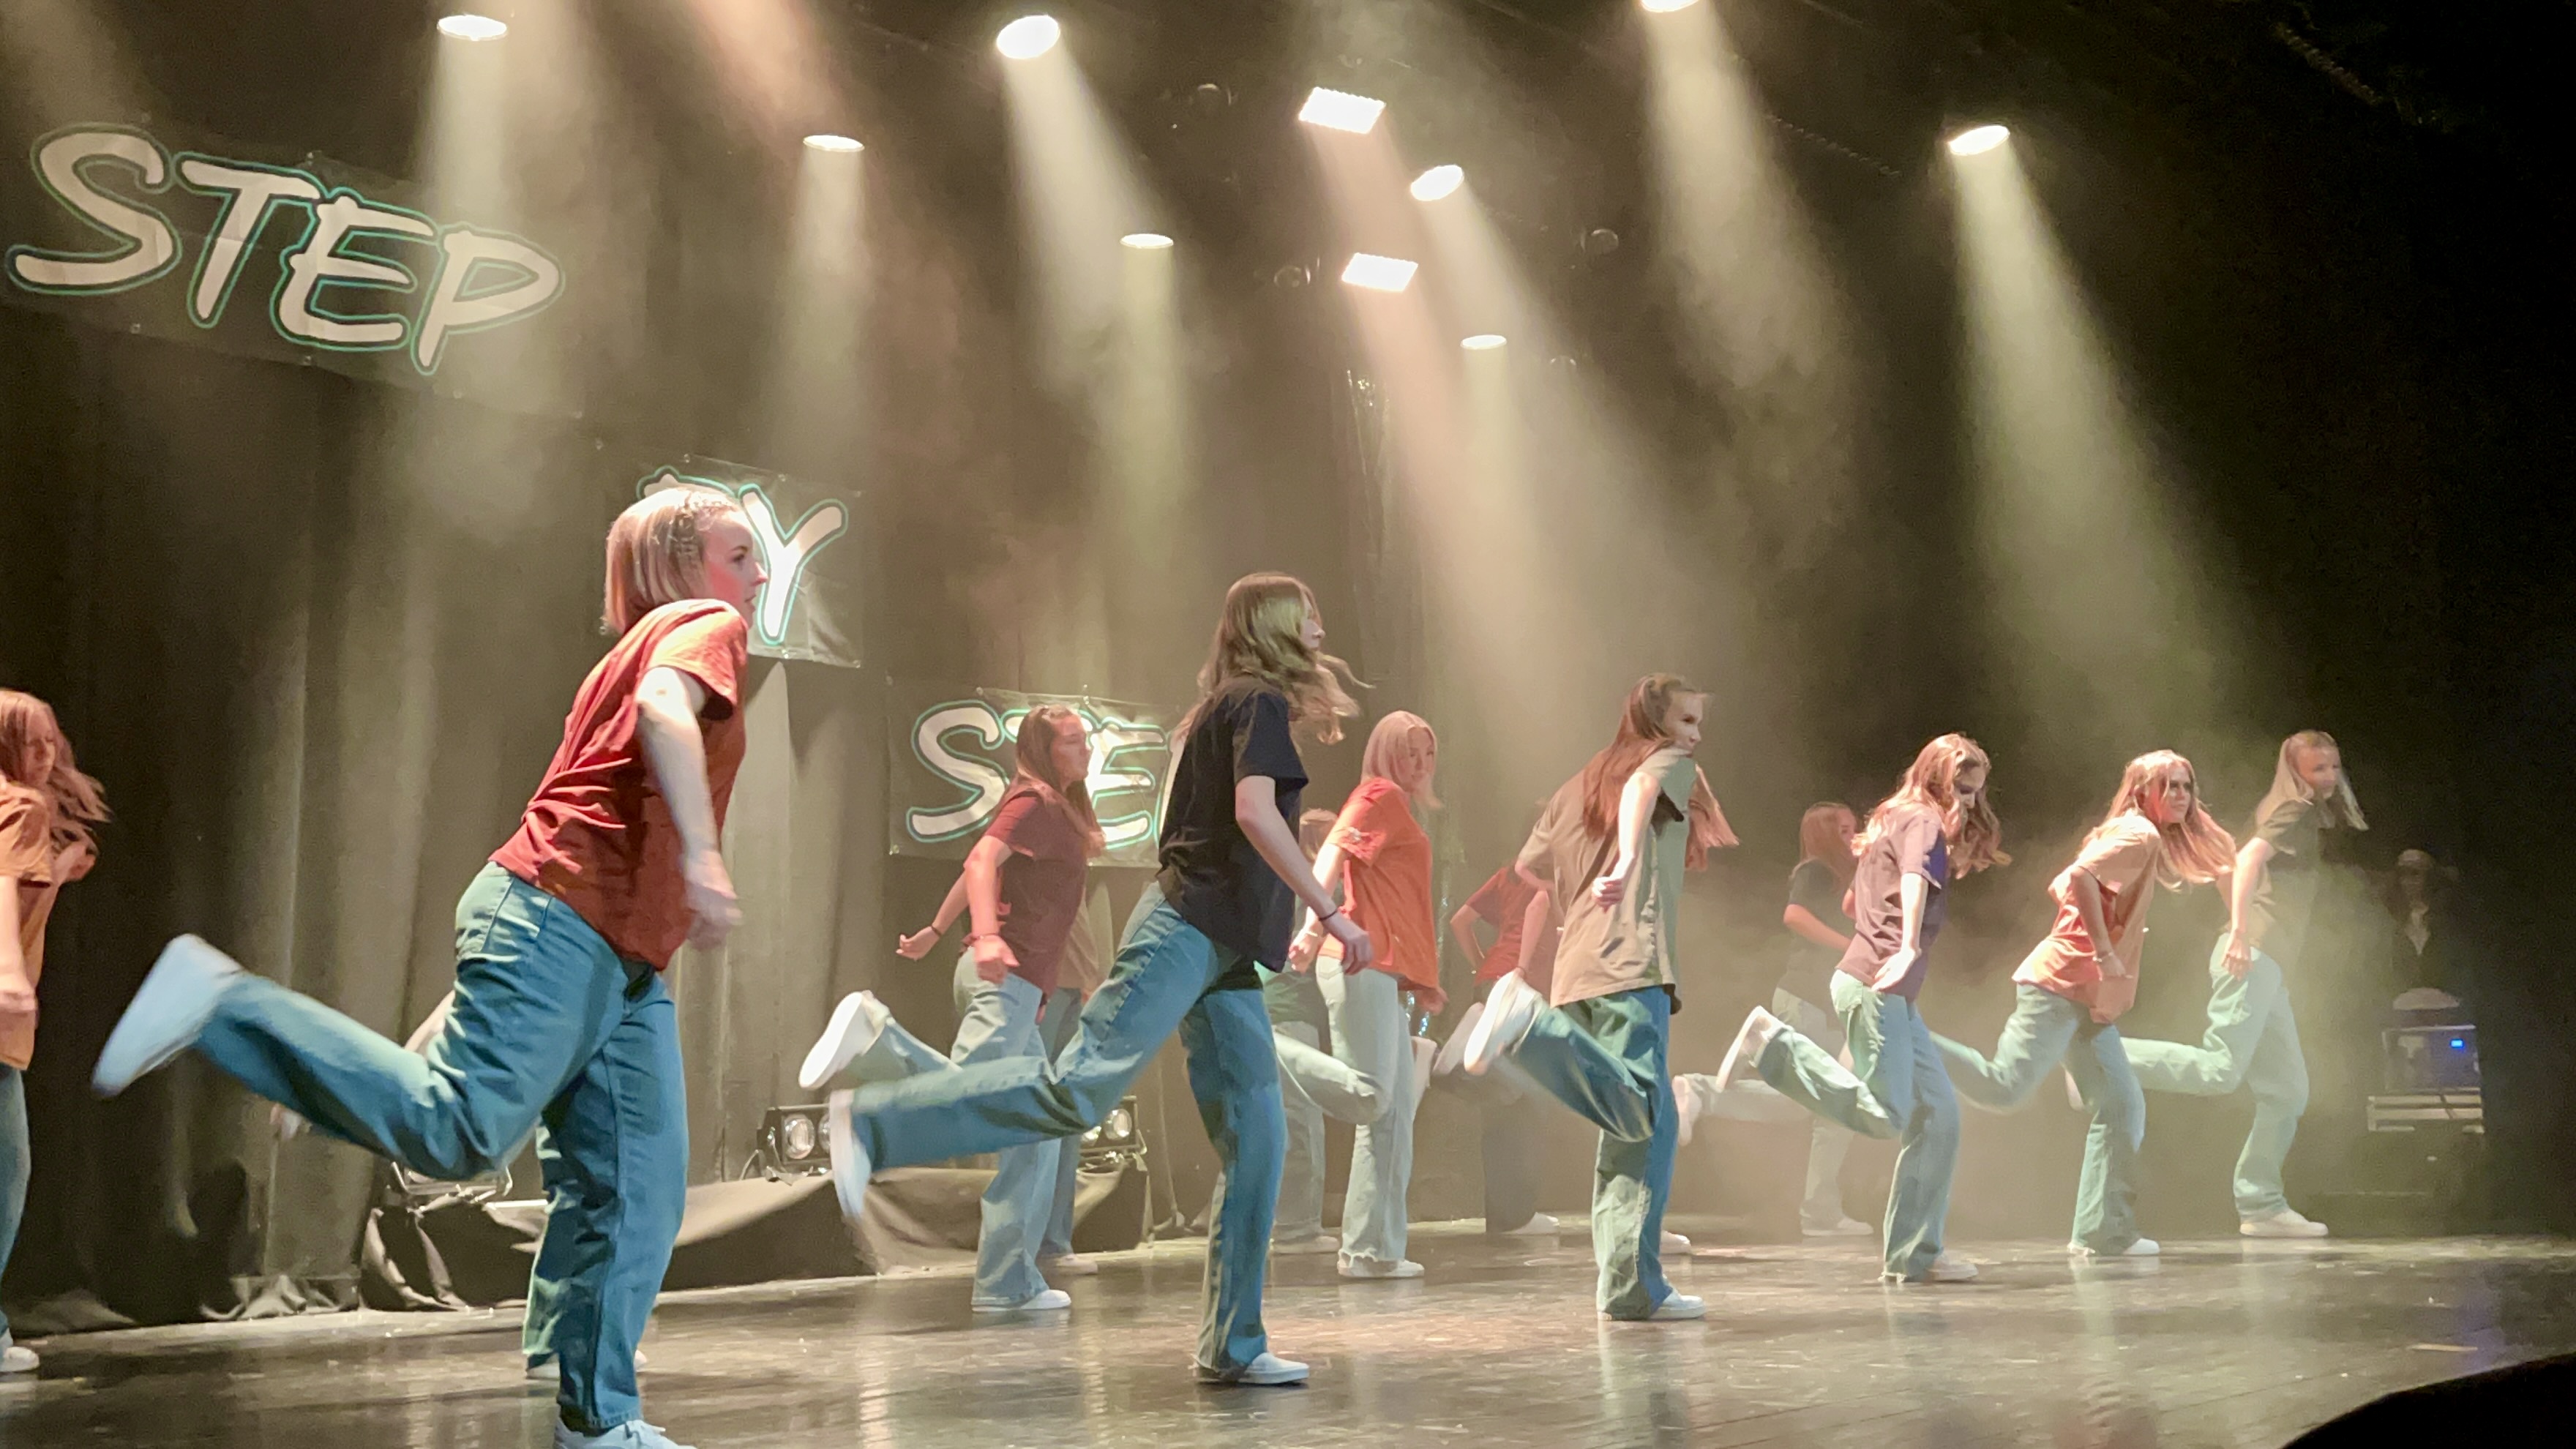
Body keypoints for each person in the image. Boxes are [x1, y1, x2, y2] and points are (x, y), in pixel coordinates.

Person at [90, 487, 762, 1449]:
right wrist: (704, 858)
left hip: (612, 958)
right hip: (566, 921)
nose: (758, 576)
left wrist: (343, 1072)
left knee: (636, 1184)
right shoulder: (700, 629)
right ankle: (222, 1005)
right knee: (460, 1134)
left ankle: (593, 1409)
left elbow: (523, 946)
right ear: (683, 568)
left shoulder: (625, 656)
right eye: (740, 555)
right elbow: (663, 713)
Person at [820, 573, 1370, 1387]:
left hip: (1219, 950)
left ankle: (1234, 1342)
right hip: (1184, 932)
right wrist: (1329, 912)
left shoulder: (1230, 707)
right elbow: (1254, 814)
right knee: (1077, 1092)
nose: (1321, 625)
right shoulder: (1252, 701)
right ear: (1278, 625)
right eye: (1310, 613)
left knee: (1259, 1138)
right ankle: (877, 1121)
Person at [801, 705, 1105, 1314]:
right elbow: (980, 863)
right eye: (1073, 741)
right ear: (1043, 750)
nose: (1086, 750)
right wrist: (986, 936)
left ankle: (1007, 1281)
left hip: (1016, 983)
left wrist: (937, 930)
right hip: (1002, 977)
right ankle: (877, 1046)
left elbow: (981, 862)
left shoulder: (1052, 808)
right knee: (977, 1102)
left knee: (1038, 1130)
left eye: (1086, 740)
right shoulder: (1036, 802)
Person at [1460, 673, 1736, 1322]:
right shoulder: (1666, 764)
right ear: (1654, 722)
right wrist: (1628, 858)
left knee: (1634, 1123)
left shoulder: (1576, 785)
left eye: (1699, 724)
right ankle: (1530, 1030)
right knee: (1645, 1113)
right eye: (1686, 722)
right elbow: (1641, 789)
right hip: (1631, 956)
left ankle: (1628, 1286)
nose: (1695, 737)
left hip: (1579, 960)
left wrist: (1578, 897)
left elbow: (1526, 866)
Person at [1711, 734, 2006, 1285]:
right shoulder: (1922, 819)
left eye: (1974, 793)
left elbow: (1852, 902)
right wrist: (1908, 944)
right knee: (1887, 1114)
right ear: (1938, 779)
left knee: (1940, 1116)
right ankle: (1773, 1047)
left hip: (1882, 987)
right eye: (1962, 790)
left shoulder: (1891, 818)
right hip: (1877, 983)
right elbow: (1914, 877)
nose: (1967, 803)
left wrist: (1880, 919)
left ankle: (1914, 1254)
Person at [1930, 751, 2236, 1259]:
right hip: (2061, 985)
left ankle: (2102, 1232)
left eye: (2186, 786)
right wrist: (2104, 951)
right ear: (2142, 791)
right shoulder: (2139, 834)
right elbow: (2078, 878)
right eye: (2170, 786)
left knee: (2120, 1105)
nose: (2181, 795)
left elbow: (2070, 881)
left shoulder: (2131, 832)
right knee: (2005, 1086)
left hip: (2083, 997)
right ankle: (1903, 1038)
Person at [2122, 730, 2365, 1238]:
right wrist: (2238, 931)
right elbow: (2249, 859)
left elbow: (2226, 867)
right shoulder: (2294, 810)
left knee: (2287, 1091)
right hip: (2252, 955)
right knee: (2220, 1069)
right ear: (2295, 773)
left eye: (2333, 767)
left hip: (2269, 964)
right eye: (2317, 769)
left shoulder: (2299, 813)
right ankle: (2101, 1054)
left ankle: (2261, 1204)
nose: (2328, 777)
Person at [1286, 711, 1446, 1280]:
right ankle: (1269, 1046)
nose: (1420, 765)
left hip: (1382, 969)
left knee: (1392, 1114)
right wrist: (1314, 926)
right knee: (1373, 1098)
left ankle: (1372, 1251)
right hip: (1359, 962)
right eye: (1409, 753)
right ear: (1385, 755)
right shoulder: (1379, 794)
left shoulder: (1397, 804)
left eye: (1427, 754)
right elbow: (1332, 852)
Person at [1671, 802, 1872, 1238]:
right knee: (1823, 1104)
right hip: (1806, 998)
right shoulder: (1816, 870)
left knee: (1830, 1107)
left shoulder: (1845, 879)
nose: (1853, 837)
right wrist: (1850, 948)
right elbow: (1794, 916)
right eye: (1843, 830)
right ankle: (1737, 1065)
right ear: (1823, 835)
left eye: (1854, 828)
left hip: (1826, 1005)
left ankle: (1820, 1211)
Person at [0, 692, 106, 1377]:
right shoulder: (21, 806)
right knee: (7, 1177)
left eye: (50, 742)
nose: (44, 756)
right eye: (29, 742)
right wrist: (10, 975)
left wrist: (59, 873)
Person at [1443, 844, 1560, 1238]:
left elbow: (1459, 921)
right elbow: (1541, 906)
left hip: (1494, 980)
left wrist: (1484, 965)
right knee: (1527, 1101)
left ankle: (1504, 1216)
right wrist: (1522, 970)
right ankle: (1516, 1217)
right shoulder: (1555, 879)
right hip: (1524, 987)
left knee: (1500, 1102)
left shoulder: (1509, 873)